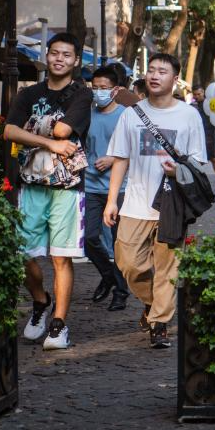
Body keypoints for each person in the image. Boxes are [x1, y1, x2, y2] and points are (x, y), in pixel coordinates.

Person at [103, 53, 206, 349]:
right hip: (135, 203)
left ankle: (159, 322)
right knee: (128, 263)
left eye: (162, 71)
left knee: (167, 267)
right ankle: (153, 303)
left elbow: (198, 160)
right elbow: (120, 158)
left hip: (172, 205)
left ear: (175, 79)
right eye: (151, 70)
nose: (155, 75)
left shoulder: (188, 115)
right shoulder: (131, 113)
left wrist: (178, 170)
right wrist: (112, 201)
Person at [3, 33, 93, 350]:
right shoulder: (29, 93)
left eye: (66, 55)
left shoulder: (82, 95)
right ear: (47, 55)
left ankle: (59, 324)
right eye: (55, 53)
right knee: (23, 253)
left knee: (60, 256)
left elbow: (64, 129)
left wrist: (36, 129)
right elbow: (10, 131)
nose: (59, 59)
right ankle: (41, 301)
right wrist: (51, 143)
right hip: (30, 183)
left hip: (68, 185)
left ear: (76, 61)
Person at [83, 64, 131, 311]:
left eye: (104, 88)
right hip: (90, 185)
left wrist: (112, 159)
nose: (98, 92)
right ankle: (109, 274)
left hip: (119, 188)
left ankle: (121, 292)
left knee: (118, 242)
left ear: (115, 90)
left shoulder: (126, 114)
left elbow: (135, 149)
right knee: (89, 238)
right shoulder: (87, 113)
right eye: (95, 88)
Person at [191, 86, 215, 190]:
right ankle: (196, 182)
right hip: (196, 136)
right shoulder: (192, 106)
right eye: (195, 94)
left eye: (199, 94)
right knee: (196, 159)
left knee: (213, 158)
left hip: (209, 134)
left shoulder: (210, 104)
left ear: (203, 93)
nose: (197, 96)